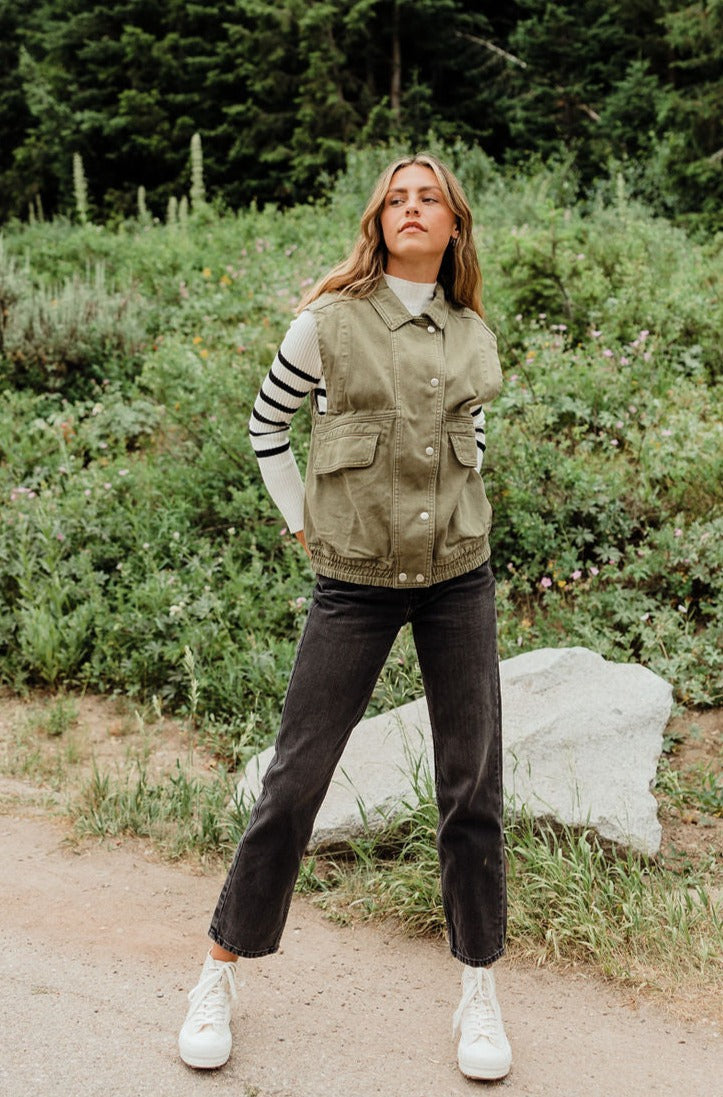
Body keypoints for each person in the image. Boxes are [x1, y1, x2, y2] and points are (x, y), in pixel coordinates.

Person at [178, 152, 511, 1082]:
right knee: (294, 779)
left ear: (453, 225)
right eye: (396, 198)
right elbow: (265, 427)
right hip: (355, 583)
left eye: (428, 198)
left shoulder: (472, 333)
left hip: (458, 579)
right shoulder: (324, 324)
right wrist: (304, 524)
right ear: (377, 222)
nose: (411, 209)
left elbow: (474, 440)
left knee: (472, 790)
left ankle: (478, 989)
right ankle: (217, 973)